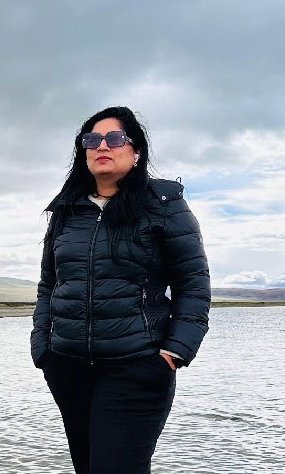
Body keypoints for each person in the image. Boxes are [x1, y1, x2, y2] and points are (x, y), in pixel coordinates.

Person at [30, 106, 211, 474]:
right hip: (68, 367)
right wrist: (42, 348)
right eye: (92, 140)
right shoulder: (67, 210)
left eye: (114, 139)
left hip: (136, 367)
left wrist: (174, 352)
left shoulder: (163, 206)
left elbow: (193, 285)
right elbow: (49, 284)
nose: (102, 146)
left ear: (136, 151)